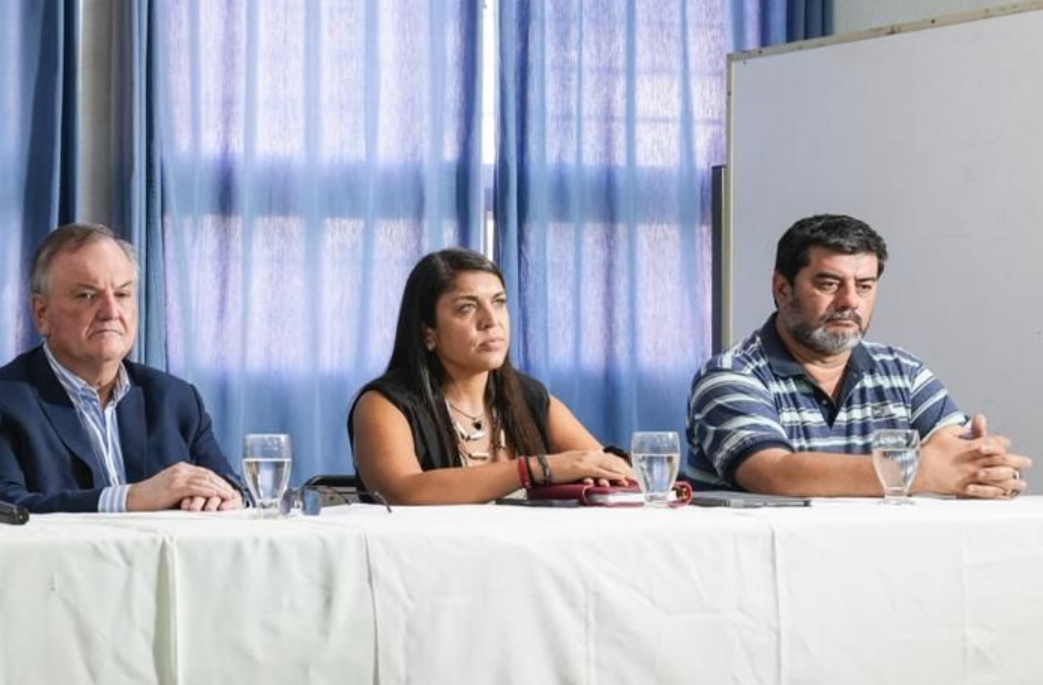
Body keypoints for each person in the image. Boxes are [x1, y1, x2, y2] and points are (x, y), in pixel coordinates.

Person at [687, 213, 1028, 497]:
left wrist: (986, 471)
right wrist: (920, 471)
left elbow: (955, 458)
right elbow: (775, 474)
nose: (850, 301)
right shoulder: (730, 375)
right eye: (829, 284)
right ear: (782, 288)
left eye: (864, 286)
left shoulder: (903, 372)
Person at [0, 223, 243, 514]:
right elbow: (0, 507)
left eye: (123, 294)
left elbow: (231, 487)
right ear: (41, 314)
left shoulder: (176, 399)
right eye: (87, 295)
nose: (111, 312)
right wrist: (130, 498)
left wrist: (225, 498)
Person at [349, 247, 632, 504]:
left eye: (499, 302)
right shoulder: (383, 404)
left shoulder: (529, 396)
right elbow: (401, 491)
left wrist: (605, 474)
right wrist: (536, 469)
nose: (491, 320)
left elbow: (607, 467)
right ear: (428, 332)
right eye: (467, 307)